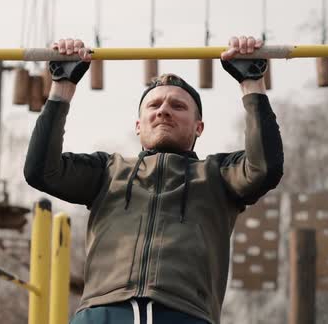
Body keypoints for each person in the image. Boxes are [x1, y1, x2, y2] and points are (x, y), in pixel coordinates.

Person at [24, 36, 284, 324]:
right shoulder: (107, 171)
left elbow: (264, 168)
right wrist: (62, 85)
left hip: (183, 312)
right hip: (104, 312)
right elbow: (41, 171)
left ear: (199, 127)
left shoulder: (218, 174)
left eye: (178, 106)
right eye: (155, 105)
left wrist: (251, 83)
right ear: (138, 125)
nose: (163, 110)